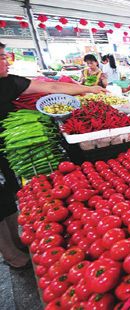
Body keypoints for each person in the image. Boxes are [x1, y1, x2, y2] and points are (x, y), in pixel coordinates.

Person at [0, 42, 105, 269]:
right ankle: (10, 254)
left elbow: (49, 87)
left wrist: (88, 89)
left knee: (7, 192)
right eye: (1, 57)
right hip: (6, 144)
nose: (6, 61)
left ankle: (15, 243)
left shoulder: (7, 83)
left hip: (6, 146)